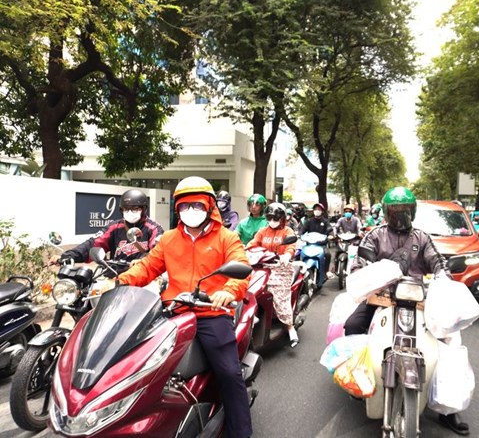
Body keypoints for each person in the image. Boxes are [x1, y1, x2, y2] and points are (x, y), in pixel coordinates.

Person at [116, 176, 253, 438]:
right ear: (177, 209)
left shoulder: (227, 238)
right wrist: (120, 281)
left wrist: (228, 291)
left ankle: (241, 431)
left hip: (211, 313)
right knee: (140, 363)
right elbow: (147, 267)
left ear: (210, 206)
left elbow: (241, 269)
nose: (191, 211)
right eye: (185, 206)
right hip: (173, 312)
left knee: (228, 373)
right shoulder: (168, 239)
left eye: (197, 205)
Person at [343, 186, 470, 436]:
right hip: (381, 296)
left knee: (450, 339)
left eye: (404, 211)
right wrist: (365, 274)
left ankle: (448, 409)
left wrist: (444, 277)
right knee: (353, 325)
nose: (399, 216)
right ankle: (358, 378)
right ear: (386, 212)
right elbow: (361, 262)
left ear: (412, 212)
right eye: (394, 211)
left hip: (418, 297)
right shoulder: (375, 235)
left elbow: (438, 262)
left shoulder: (422, 238)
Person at [48, 189, 164, 274]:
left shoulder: (153, 228)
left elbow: (158, 250)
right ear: (121, 210)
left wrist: (144, 260)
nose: (130, 212)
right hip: (115, 274)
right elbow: (93, 244)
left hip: (143, 276)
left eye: (135, 209)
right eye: (126, 209)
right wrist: (68, 256)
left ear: (143, 209)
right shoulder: (114, 227)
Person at [246, 202, 299, 347]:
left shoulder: (287, 231)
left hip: (280, 268)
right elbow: (252, 244)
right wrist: (245, 250)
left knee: (280, 295)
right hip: (261, 267)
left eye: (275, 218)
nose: (272, 221)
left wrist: (286, 255)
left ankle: (290, 327)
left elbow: (291, 247)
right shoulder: (262, 231)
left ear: (282, 218)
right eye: (269, 218)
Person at [298, 202, 335, 279]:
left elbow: (330, 230)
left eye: (319, 209)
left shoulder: (325, 222)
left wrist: (331, 235)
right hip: (310, 245)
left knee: (328, 254)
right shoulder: (309, 221)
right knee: (299, 253)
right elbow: (302, 230)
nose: (317, 211)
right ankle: (299, 272)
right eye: (315, 209)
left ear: (322, 211)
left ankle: (326, 271)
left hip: (321, 245)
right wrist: (299, 235)